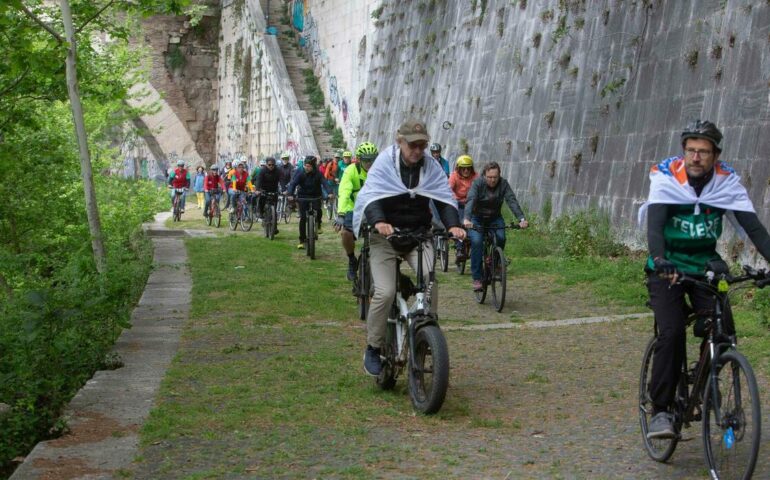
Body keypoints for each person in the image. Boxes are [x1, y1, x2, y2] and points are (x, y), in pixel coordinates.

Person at [638, 120, 770, 439]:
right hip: (667, 269)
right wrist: (660, 259)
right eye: (691, 150)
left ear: (715, 155)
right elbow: (655, 227)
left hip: (705, 268)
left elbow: (753, 228)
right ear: (684, 152)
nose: (696, 157)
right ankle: (662, 412)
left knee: (725, 333)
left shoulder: (726, 183)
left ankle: (704, 376)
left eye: (704, 152)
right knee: (671, 334)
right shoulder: (667, 178)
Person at [352, 120, 466, 376]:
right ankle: (373, 347)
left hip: (417, 236)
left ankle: (427, 330)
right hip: (386, 238)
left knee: (429, 280)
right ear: (399, 141)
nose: (418, 150)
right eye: (413, 145)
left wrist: (453, 224)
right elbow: (371, 196)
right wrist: (379, 221)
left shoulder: (431, 167)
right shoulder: (384, 163)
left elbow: (444, 199)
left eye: (422, 145)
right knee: (385, 291)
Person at [463, 161, 528, 292]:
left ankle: (494, 261)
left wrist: (521, 218)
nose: (492, 180)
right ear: (484, 175)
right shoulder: (478, 183)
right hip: (477, 218)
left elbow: (511, 200)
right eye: (489, 177)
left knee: (501, 237)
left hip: (495, 218)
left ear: (499, 176)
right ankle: (477, 278)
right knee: (476, 242)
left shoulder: (503, 184)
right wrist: (467, 219)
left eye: (495, 177)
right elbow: (470, 200)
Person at [334, 142, 378, 281]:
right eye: (366, 160)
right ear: (359, 159)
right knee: (346, 233)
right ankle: (352, 260)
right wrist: (341, 214)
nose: (370, 163)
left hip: (375, 208)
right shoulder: (351, 170)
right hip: (353, 208)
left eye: (373, 159)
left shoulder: (381, 171)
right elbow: (344, 192)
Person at [287, 155, 330, 249]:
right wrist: (290, 194)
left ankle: (318, 224)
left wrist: (330, 192)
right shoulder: (301, 173)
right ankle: (302, 240)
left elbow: (325, 183)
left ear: (313, 166)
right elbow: (293, 183)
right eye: (306, 165)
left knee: (318, 210)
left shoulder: (318, 174)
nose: (307, 167)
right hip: (303, 197)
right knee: (303, 218)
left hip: (316, 196)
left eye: (309, 166)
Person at [448, 155, 478, 261]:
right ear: (459, 168)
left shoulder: (475, 176)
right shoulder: (454, 176)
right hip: (458, 204)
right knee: (459, 224)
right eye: (463, 168)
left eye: (468, 168)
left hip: (472, 205)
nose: (466, 170)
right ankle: (460, 249)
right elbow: (449, 188)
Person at [254, 157, 280, 233]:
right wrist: (258, 190)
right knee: (262, 200)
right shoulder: (262, 171)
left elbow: (281, 180)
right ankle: (261, 213)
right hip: (264, 190)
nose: (271, 166)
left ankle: (274, 228)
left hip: (274, 190)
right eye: (269, 165)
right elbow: (258, 180)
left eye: (273, 165)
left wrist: (284, 189)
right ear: (266, 164)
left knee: (274, 210)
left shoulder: (277, 171)